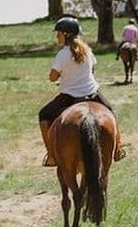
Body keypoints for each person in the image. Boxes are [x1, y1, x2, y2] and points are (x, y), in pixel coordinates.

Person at [39, 16, 126, 166]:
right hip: (92, 93)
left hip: (69, 97)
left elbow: (52, 78)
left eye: (58, 33)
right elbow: (92, 70)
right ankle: (118, 148)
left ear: (66, 35)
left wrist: (63, 76)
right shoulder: (87, 50)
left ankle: (51, 155)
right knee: (110, 111)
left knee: (43, 115)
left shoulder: (63, 54)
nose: (57, 36)